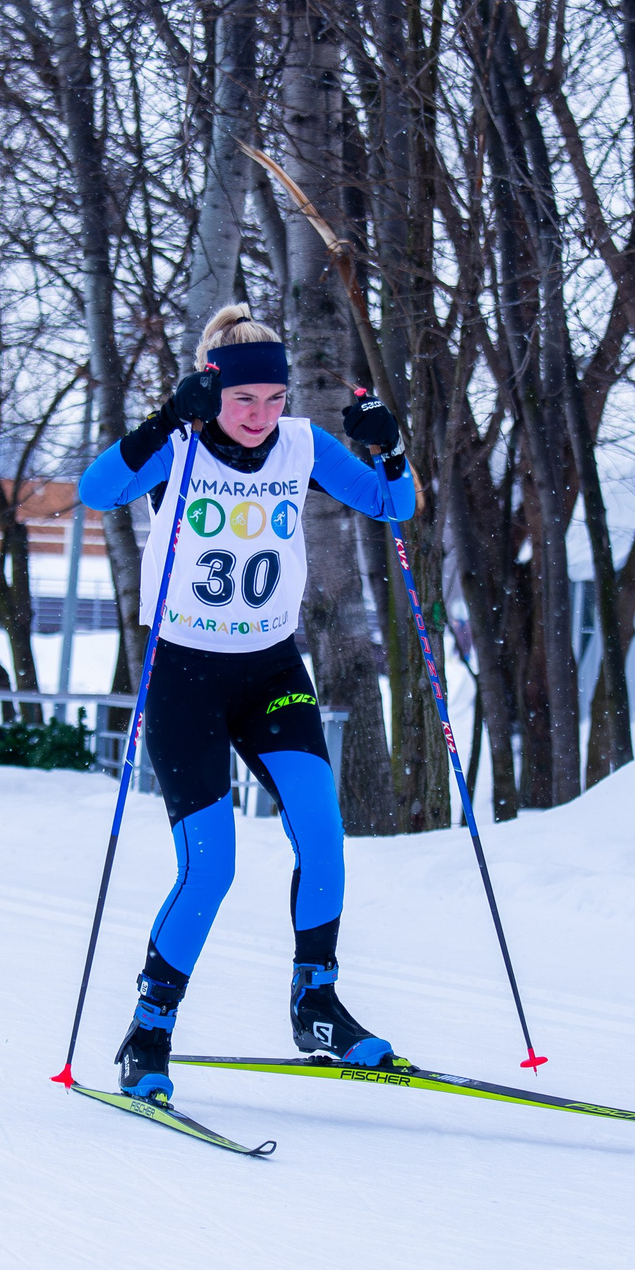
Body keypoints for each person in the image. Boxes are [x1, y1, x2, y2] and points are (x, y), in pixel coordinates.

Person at [75, 303, 414, 1105]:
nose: (261, 417)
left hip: (269, 668)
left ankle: (315, 1004)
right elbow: (97, 491)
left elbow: (391, 505)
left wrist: (390, 448)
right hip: (184, 674)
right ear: (211, 392)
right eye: (243, 401)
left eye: (273, 398)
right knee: (212, 865)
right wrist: (165, 419)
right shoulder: (182, 445)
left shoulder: (301, 445)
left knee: (323, 832)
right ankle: (149, 1028)